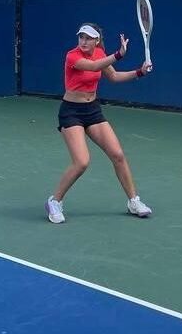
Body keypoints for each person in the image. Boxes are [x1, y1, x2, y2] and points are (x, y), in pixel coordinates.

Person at [46, 23, 153, 224]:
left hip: (93, 110)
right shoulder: (73, 56)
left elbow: (113, 76)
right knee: (82, 162)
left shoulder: (100, 53)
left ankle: (133, 201)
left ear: (96, 41)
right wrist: (119, 54)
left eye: (88, 38)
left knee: (118, 155)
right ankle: (54, 201)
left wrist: (139, 72)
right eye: (81, 37)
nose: (83, 41)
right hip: (71, 113)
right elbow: (94, 67)